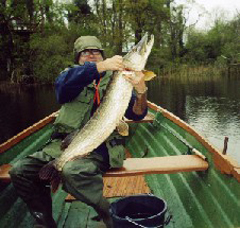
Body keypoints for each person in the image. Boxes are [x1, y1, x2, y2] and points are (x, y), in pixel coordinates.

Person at [9, 36, 148, 228]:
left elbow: (138, 114)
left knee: (71, 170)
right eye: (85, 52)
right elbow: (61, 89)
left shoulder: (122, 77)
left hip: (102, 147)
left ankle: (108, 213)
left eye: (96, 52)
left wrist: (141, 90)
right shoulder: (69, 77)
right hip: (65, 144)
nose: (91, 55)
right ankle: (44, 221)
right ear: (78, 58)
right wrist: (100, 67)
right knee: (19, 170)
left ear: (103, 55)